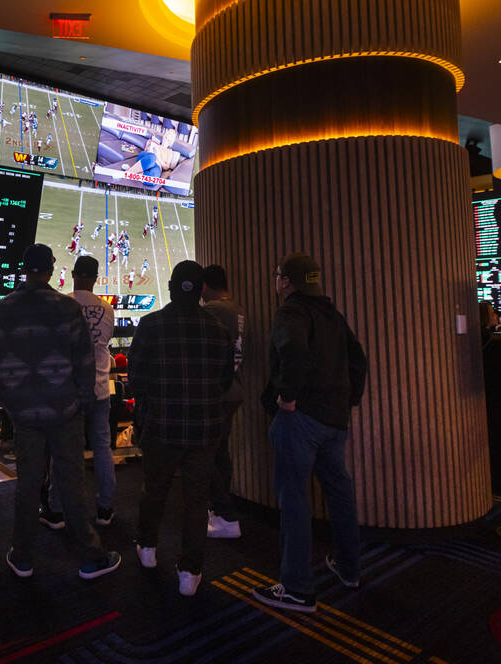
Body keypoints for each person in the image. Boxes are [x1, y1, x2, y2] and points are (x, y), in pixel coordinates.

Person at [0, 244, 121, 580]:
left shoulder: (0, 309)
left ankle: (23, 554)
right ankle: (90, 556)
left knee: (28, 483)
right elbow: (85, 363)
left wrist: (12, 404)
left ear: (24, 267)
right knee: (71, 482)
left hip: (25, 413)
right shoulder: (66, 307)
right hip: (65, 410)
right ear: (50, 269)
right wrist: (80, 403)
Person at [253, 254, 367, 613]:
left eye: (276, 276)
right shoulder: (331, 313)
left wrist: (287, 397)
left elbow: (294, 353)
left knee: (295, 501)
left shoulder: (291, 312)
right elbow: (358, 359)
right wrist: (349, 399)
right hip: (334, 420)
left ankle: (297, 588)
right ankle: (349, 568)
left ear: (286, 280)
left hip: (302, 419)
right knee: (340, 492)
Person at [129, 261, 235, 597]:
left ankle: (147, 547)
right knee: (196, 499)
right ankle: (190, 570)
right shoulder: (218, 328)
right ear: (201, 289)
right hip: (204, 429)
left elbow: (136, 380)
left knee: (154, 489)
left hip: (161, 425)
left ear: (173, 288)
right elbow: (224, 381)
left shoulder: (151, 324)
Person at [41, 255, 117, 528]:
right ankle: (105, 507)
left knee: (64, 450)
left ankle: (58, 509)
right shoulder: (107, 310)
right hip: (99, 387)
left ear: (73, 274)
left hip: (68, 389)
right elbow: (104, 342)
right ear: (96, 278)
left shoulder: (62, 304)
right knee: (102, 447)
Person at [201, 264, 248, 540]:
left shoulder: (214, 310)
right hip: (233, 387)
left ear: (205, 286)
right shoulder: (237, 308)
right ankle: (220, 510)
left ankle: (224, 514)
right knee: (220, 451)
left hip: (218, 391)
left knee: (213, 454)